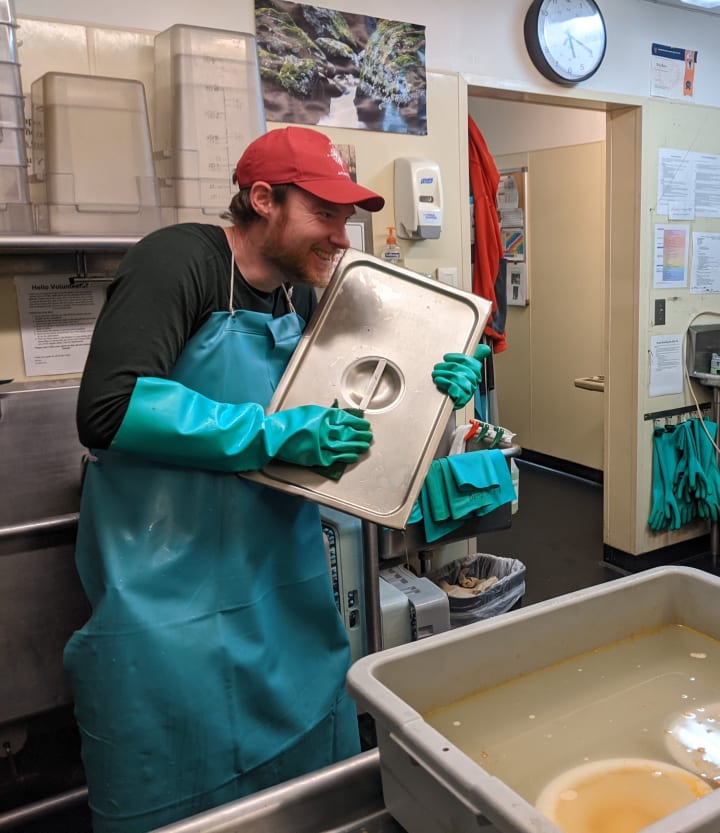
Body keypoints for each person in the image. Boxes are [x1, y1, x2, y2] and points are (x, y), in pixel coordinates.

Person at [67, 126, 490, 833]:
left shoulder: (299, 301)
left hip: (280, 593)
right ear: (263, 200)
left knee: (299, 796)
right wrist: (270, 433)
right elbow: (108, 408)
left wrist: (435, 400)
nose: (341, 233)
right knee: (178, 788)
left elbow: (348, 436)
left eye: (347, 216)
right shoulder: (180, 262)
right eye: (324, 213)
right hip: (169, 600)